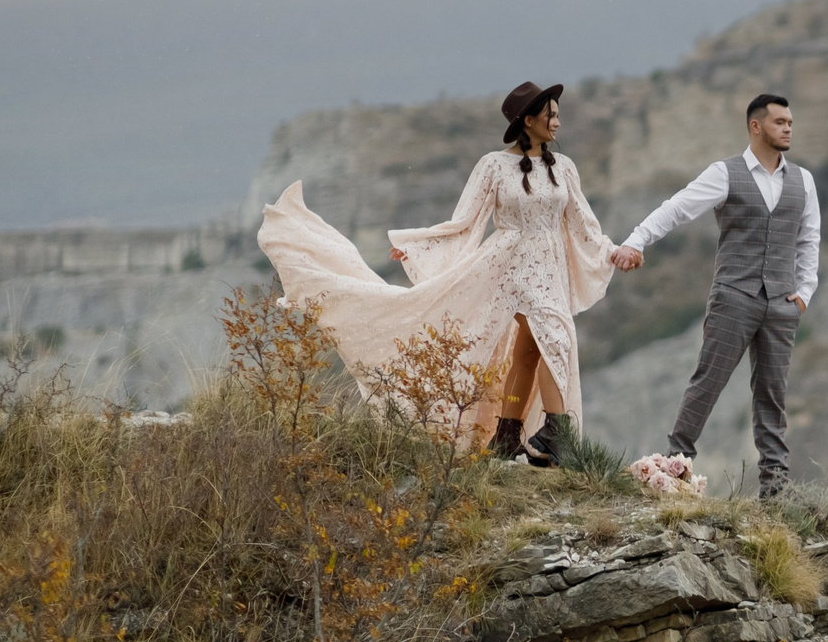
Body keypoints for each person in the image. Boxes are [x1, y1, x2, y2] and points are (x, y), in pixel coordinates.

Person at [258, 80, 627, 465]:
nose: (557, 122)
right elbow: (465, 220)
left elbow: (584, 223)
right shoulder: (493, 165)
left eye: (557, 115)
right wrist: (420, 246)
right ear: (528, 120)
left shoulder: (564, 169)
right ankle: (556, 432)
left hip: (550, 268)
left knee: (531, 350)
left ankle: (506, 434)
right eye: (551, 114)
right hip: (509, 265)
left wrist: (613, 252)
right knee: (556, 337)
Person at [613, 93, 820, 497]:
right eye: (780, 122)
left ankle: (774, 492)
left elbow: (809, 240)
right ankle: (674, 469)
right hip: (734, 297)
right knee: (707, 382)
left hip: (781, 304)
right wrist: (635, 241)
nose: (789, 128)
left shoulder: (804, 181)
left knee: (772, 396)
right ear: (756, 127)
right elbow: (677, 208)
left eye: (791, 122)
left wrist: (803, 294)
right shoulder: (724, 173)